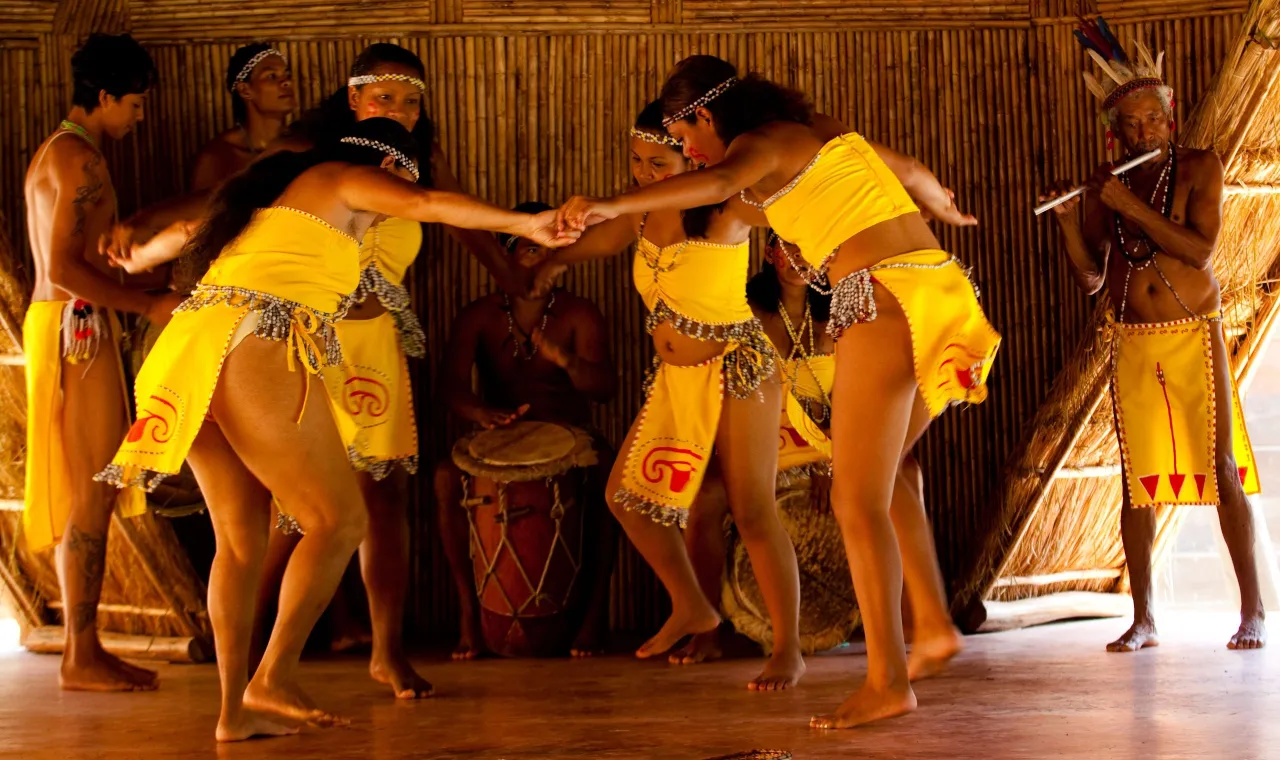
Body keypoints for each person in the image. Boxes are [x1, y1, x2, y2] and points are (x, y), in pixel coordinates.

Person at [97, 117, 575, 741]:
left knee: (242, 542)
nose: (395, 205)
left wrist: (144, 253)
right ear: (391, 168)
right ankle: (272, 675)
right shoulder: (344, 178)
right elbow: (428, 204)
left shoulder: (278, 203)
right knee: (340, 520)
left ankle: (231, 715)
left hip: (187, 354)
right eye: (402, 182)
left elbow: (188, 232)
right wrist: (525, 223)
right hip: (252, 343)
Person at [555, 56, 998, 727]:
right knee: (886, 480)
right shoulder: (811, 128)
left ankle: (887, 680)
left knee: (854, 500)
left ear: (705, 115)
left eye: (686, 138)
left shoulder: (754, 148)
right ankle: (932, 625)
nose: (691, 154)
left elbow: (725, 175)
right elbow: (905, 169)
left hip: (880, 294)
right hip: (936, 286)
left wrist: (612, 201)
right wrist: (937, 200)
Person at [535, 101, 806, 691]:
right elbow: (600, 241)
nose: (643, 175)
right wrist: (553, 263)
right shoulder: (639, 215)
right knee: (627, 499)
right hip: (676, 378)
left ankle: (787, 648)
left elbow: (797, 199)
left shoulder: (731, 209)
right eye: (636, 162)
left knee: (753, 510)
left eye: (658, 163)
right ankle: (692, 605)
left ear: (692, 155)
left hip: (738, 366)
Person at [1039, 20, 1265, 653]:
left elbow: (1198, 252)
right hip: (1131, 339)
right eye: (1131, 125)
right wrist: (1067, 219)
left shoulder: (1200, 167)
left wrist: (1128, 205)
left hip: (1195, 333)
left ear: (1171, 119)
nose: (1144, 134)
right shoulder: (1106, 182)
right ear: (1116, 131)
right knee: (1135, 478)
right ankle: (1142, 619)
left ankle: (1253, 611)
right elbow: (1091, 278)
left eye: (1153, 121)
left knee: (1220, 469)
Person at [21, 33, 180, 692]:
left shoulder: (56, 154)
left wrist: (137, 282)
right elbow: (61, 269)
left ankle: (84, 650)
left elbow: (75, 260)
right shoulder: (81, 162)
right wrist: (145, 309)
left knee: (96, 489)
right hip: (75, 330)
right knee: (91, 490)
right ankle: (80, 655)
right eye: (135, 105)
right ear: (106, 96)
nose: (138, 118)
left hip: (66, 324)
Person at [433, 201, 618, 660]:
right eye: (526, 249)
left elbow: (606, 389)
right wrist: (480, 414)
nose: (536, 258)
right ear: (504, 257)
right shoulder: (479, 316)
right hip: (498, 437)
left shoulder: (578, 314)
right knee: (442, 477)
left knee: (609, 477)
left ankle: (593, 617)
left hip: (571, 435)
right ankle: (468, 617)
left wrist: (567, 361)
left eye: (545, 250)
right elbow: (450, 387)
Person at [190, 43, 295, 192]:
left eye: (287, 75)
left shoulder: (303, 144)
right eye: (272, 76)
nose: (287, 82)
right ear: (245, 90)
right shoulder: (217, 158)